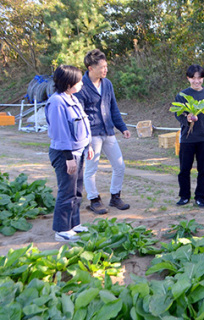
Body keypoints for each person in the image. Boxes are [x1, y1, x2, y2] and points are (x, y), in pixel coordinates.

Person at [75, 49, 131, 214]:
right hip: (92, 135)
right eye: (102, 67)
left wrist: (122, 127)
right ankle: (94, 200)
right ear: (91, 68)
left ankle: (115, 197)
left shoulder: (107, 84)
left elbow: (113, 108)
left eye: (106, 66)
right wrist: (87, 140)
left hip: (108, 131)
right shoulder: (81, 87)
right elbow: (80, 115)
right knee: (91, 168)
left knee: (120, 165)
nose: (105, 70)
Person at [45, 65, 94, 241]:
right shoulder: (57, 102)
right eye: (78, 81)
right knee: (66, 191)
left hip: (79, 151)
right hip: (65, 154)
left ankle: (74, 223)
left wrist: (88, 146)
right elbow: (60, 132)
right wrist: (68, 157)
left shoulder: (72, 98)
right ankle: (61, 229)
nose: (81, 84)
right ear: (67, 84)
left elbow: (82, 125)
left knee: (77, 189)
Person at [175, 64, 204, 207]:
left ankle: (200, 197)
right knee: (184, 169)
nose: (196, 81)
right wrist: (187, 119)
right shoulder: (182, 95)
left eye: (199, 78)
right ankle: (184, 196)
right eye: (193, 78)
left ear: (203, 78)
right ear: (188, 78)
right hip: (187, 138)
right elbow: (177, 113)